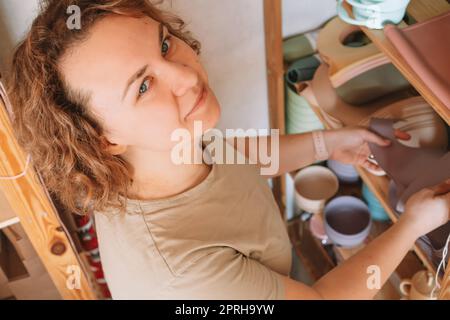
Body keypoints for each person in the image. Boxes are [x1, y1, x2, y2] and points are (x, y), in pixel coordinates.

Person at [7, 0, 450, 299]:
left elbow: (232, 154)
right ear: (102, 138)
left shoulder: (157, 148)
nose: (186, 76)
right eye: (143, 86)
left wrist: (328, 142)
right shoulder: (185, 273)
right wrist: (410, 225)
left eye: (164, 44)